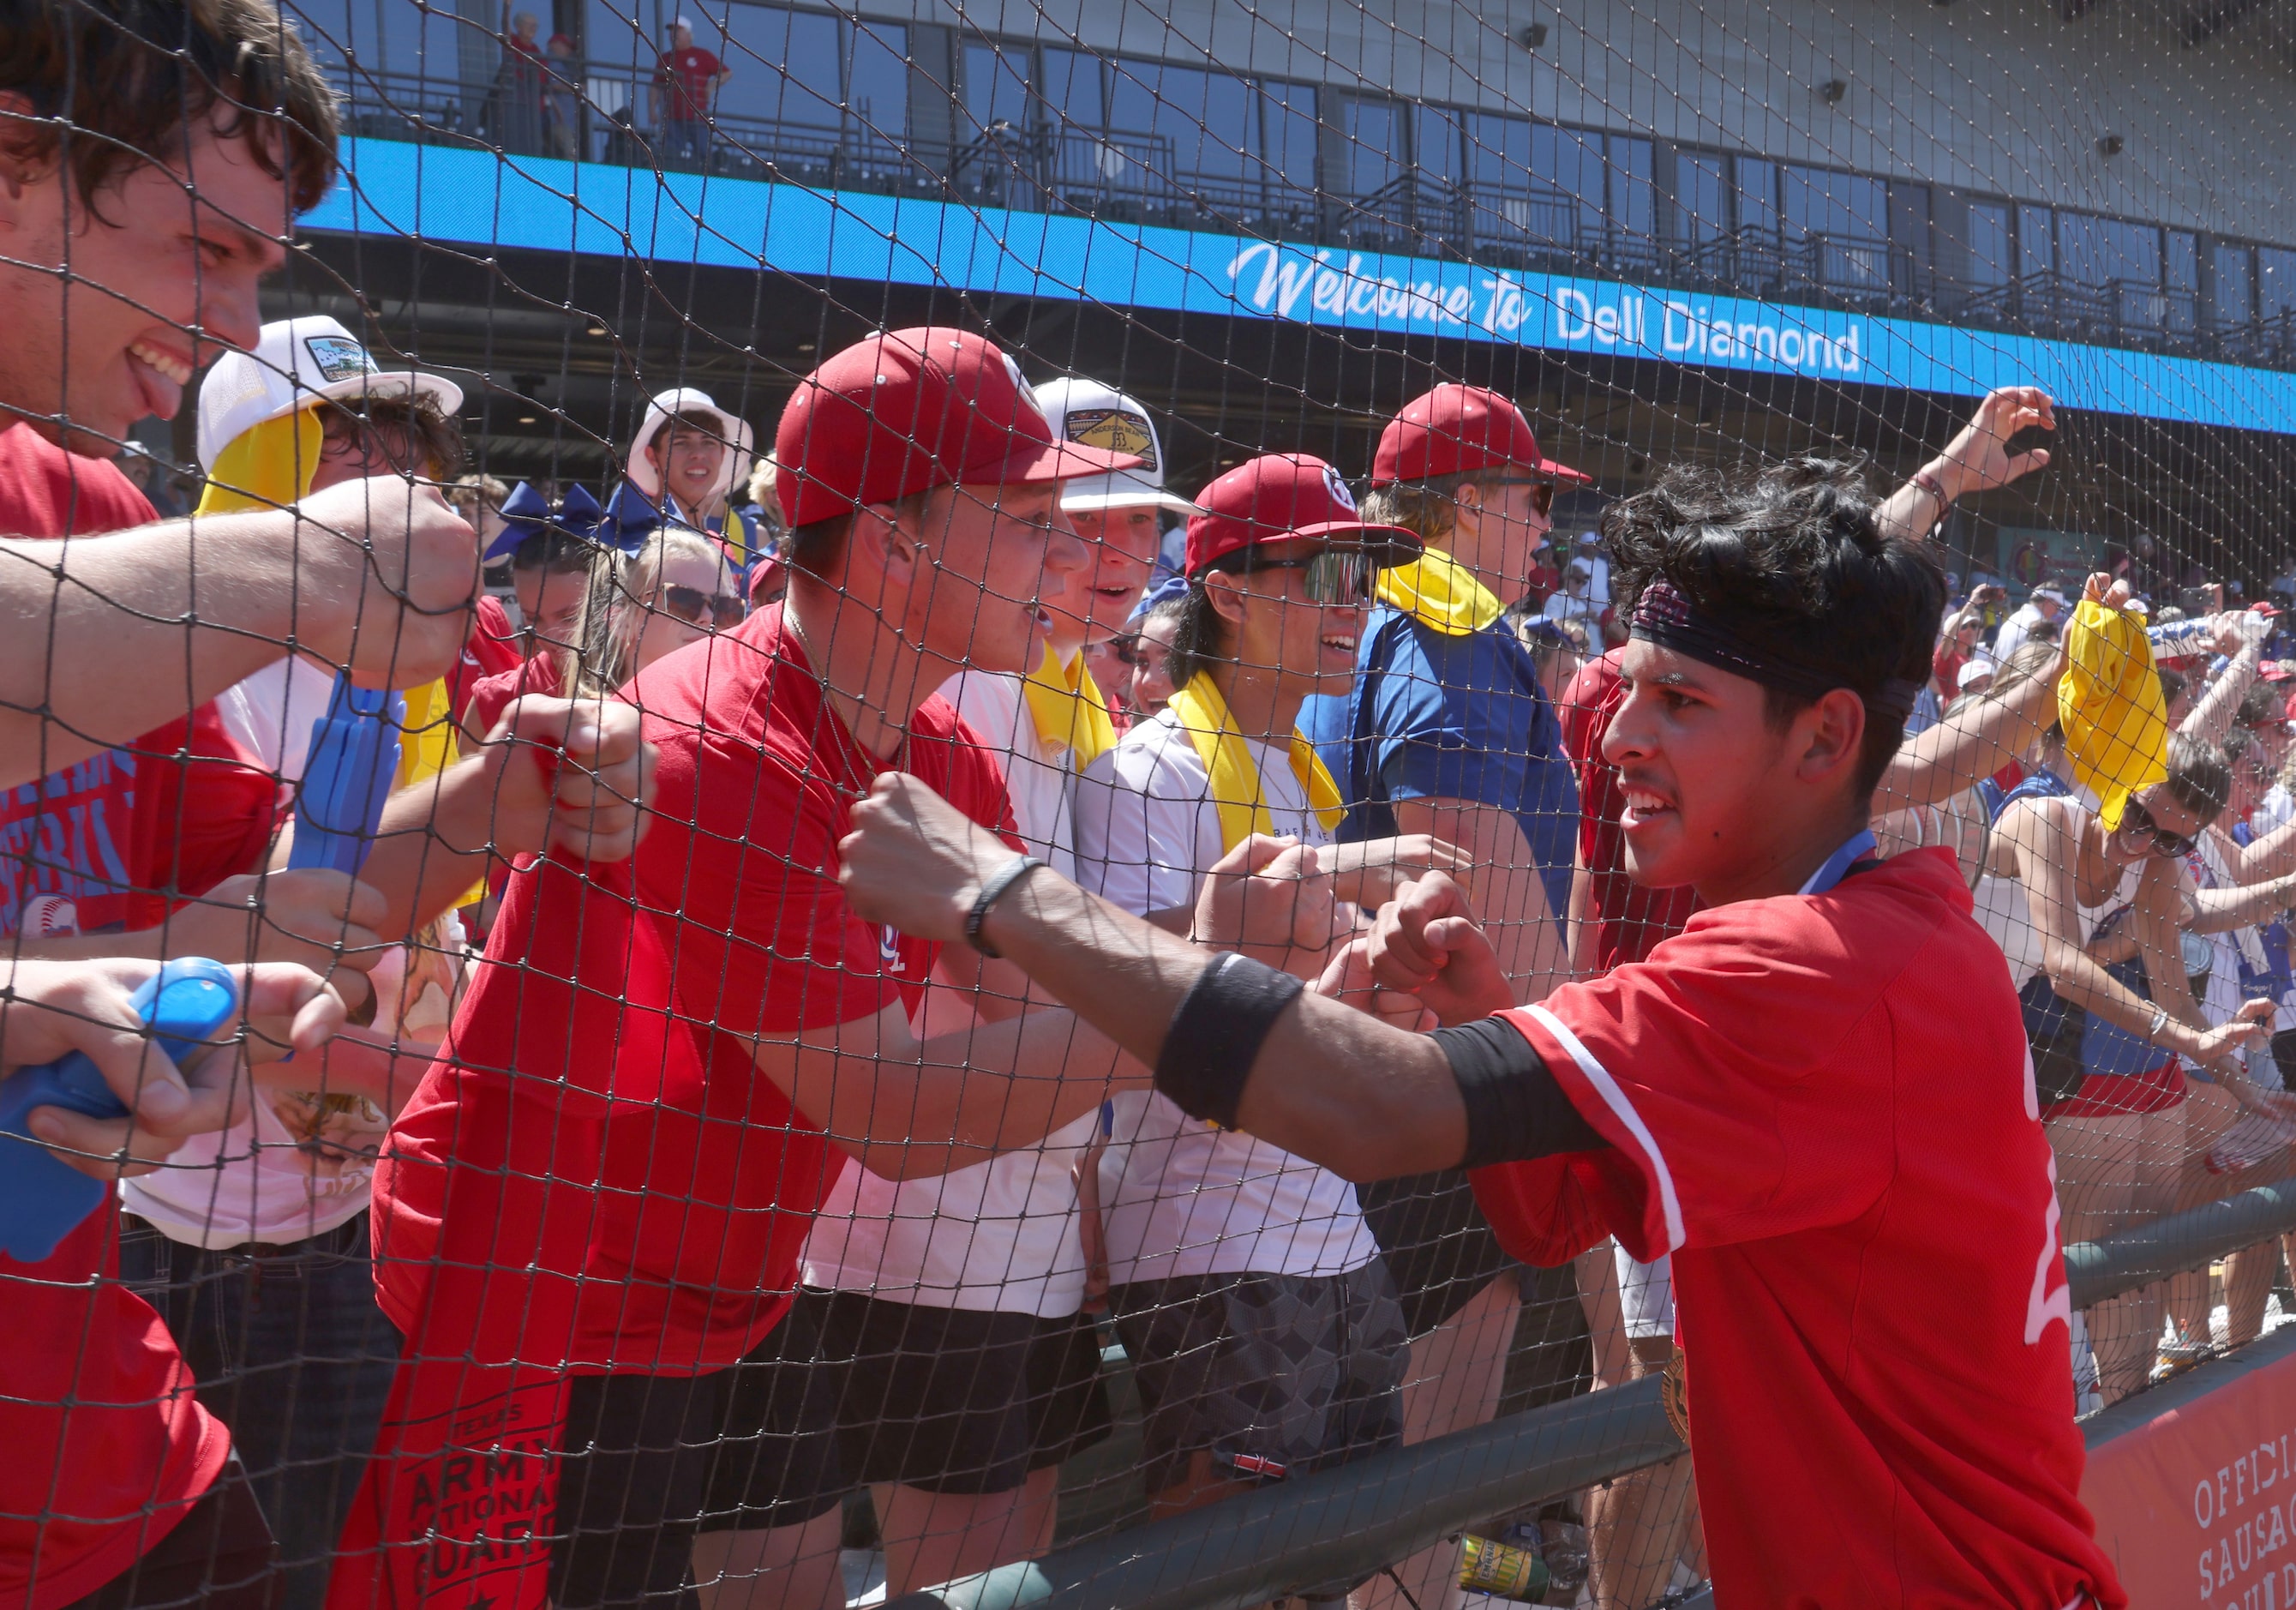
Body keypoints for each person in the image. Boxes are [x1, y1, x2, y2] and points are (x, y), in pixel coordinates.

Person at [835, 454, 2132, 1609]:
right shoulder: (1885, 928)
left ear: (1824, 739)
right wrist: (1491, 1024)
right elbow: (1555, 1211)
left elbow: (1377, 1111)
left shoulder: (1807, 962)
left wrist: (1004, 896)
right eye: (1625, 689)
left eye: (1677, 702)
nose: (1615, 735)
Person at [335, 328, 1148, 1610]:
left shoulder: (937, 748)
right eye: (1023, 514)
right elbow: (897, 1111)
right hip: (532, 1303)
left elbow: (1032, 1004)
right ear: (894, 542)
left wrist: (1229, 992)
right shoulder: (717, 742)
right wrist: (1198, 1001)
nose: (1073, 550)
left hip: (732, 1298)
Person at [748, 379, 1182, 1598]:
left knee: (1007, 1561)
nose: (1116, 550)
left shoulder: (1057, 685)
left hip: (1023, 1186)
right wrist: (1204, 993)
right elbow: (993, 967)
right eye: (1073, 518)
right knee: (972, 1570)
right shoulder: (966, 683)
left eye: (1141, 520)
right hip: (931, 1218)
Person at [1069, 454, 1446, 1542]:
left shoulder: (1293, 767)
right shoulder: (1153, 772)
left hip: (1331, 1227)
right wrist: (1336, 901)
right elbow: (1132, 1010)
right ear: (1228, 594)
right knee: (1228, 1562)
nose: (1355, 606)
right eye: (1326, 575)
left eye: (1363, 579)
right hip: (1210, 1243)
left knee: (1348, 1555)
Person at [1297, 384, 1583, 1610]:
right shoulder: (1444, 624)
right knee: (1421, 1446)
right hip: (1445, 1077)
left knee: (1370, 1450)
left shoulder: (1370, 616)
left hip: (1365, 1069)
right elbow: (1455, 841)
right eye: (1526, 500)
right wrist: (1563, 1054)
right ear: (1465, 506)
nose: (1539, 529)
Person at [620, 386, 755, 543]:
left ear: (722, 454)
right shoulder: (625, 541)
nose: (698, 454)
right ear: (652, 456)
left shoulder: (723, 548)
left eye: (708, 442)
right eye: (681, 443)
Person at [652, 15, 728, 165]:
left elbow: (726, 73)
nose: (673, 34)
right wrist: (651, 110)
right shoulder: (666, 58)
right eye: (671, 31)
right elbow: (655, 86)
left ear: (688, 34)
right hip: (673, 116)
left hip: (697, 115)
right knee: (671, 154)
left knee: (703, 153)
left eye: (677, 31)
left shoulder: (701, 55)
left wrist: (711, 86)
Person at [1994, 580, 2071, 664]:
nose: (2057, 612)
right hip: (2023, 675)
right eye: (2058, 606)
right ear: (2047, 601)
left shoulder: (2012, 619)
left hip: (2004, 675)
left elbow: (1994, 658)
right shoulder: (2039, 624)